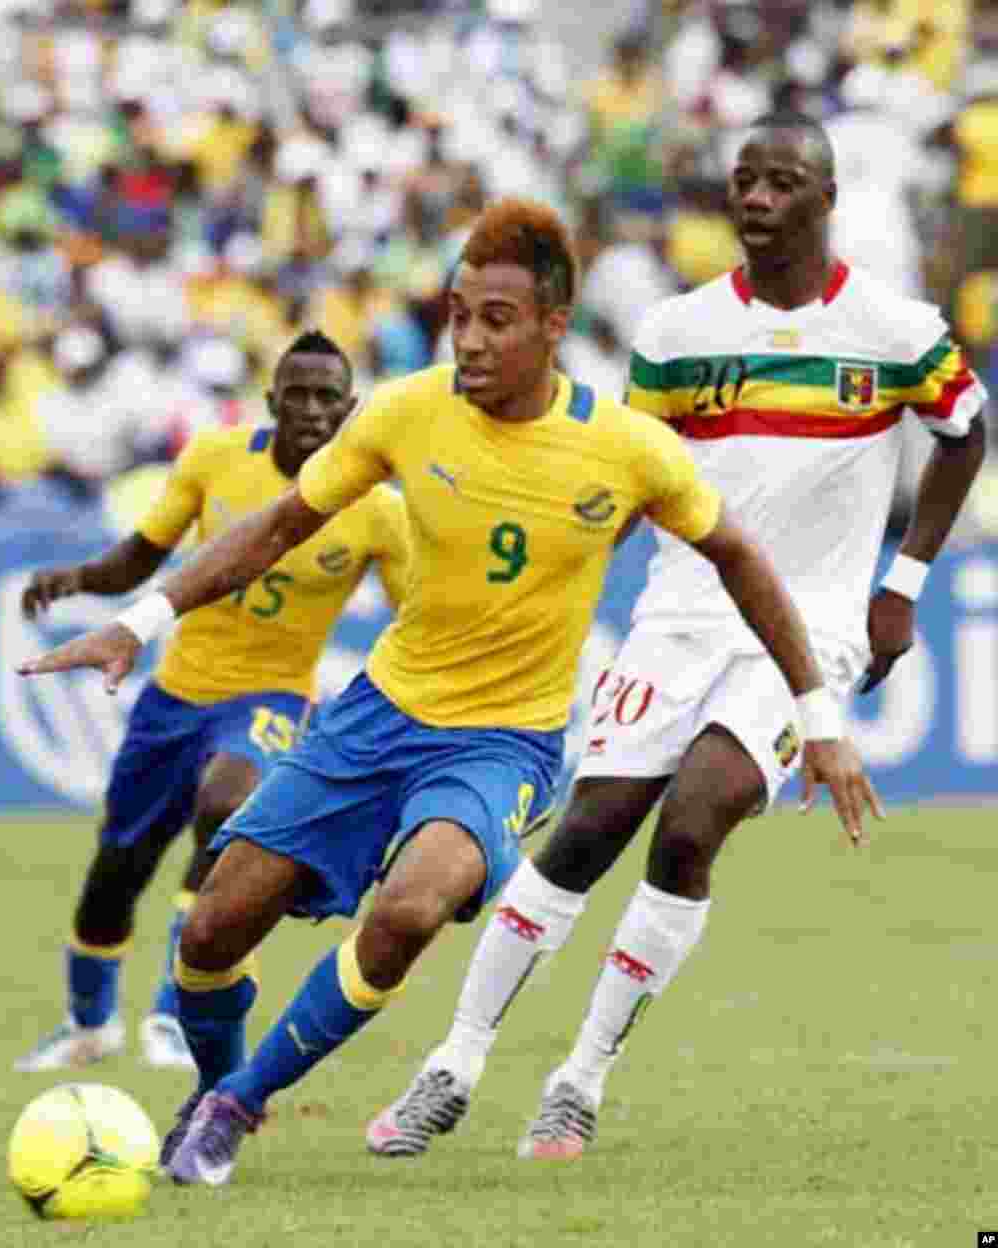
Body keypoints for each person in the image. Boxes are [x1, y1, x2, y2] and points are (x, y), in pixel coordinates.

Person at [19, 196, 876, 1188]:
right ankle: (216, 1090)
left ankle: (235, 1104)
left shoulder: (626, 448)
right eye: (459, 315)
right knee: (210, 930)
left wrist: (817, 715)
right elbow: (278, 527)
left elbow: (739, 557)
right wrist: (138, 622)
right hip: (376, 715)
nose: (468, 339)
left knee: (412, 908)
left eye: (495, 320)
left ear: (553, 326)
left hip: (502, 745)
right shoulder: (405, 410)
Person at [367, 115, 988, 1162]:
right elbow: (624, 478)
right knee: (586, 831)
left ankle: (579, 1080)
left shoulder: (896, 330)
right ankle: (454, 1063)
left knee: (693, 825)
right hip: (679, 617)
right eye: (744, 180)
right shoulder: (675, 333)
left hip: (811, 629)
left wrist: (905, 582)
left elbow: (965, 434)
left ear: (826, 200)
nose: (756, 199)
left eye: (780, 182)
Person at [15, 330, 410, 1073]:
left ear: (350, 408)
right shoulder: (213, 458)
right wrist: (78, 580)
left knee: (229, 805)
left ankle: (174, 1011)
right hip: (174, 697)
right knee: (119, 867)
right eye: (298, 393)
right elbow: (142, 555)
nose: (312, 409)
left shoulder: (377, 512)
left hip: (272, 698)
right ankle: (89, 1024)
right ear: (271, 399)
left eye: (328, 397)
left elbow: (413, 618)